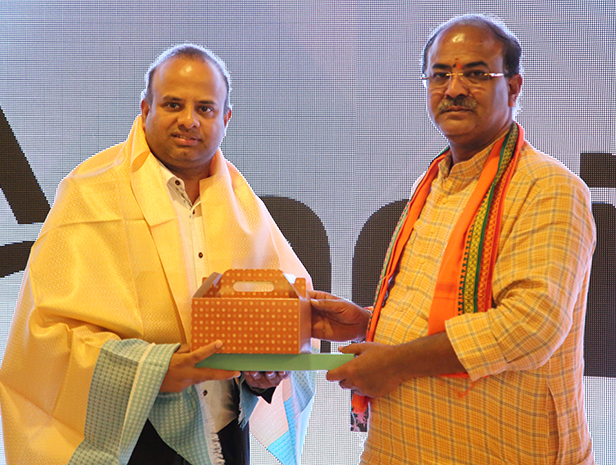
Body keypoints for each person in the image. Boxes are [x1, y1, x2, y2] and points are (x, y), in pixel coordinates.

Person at [0, 44, 314, 465]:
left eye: (205, 108)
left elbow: (280, 323)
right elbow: (48, 337)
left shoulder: (245, 208)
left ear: (226, 119)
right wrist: (153, 370)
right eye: (173, 104)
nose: (189, 120)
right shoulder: (89, 193)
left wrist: (264, 374)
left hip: (226, 437)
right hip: (126, 442)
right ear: (145, 109)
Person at [310, 14, 596, 464]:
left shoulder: (547, 187)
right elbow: (441, 311)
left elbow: (528, 327)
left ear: (514, 88)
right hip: (400, 447)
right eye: (440, 75)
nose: (454, 89)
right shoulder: (435, 182)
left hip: (500, 450)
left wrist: (394, 362)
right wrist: (369, 321)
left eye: (476, 74)